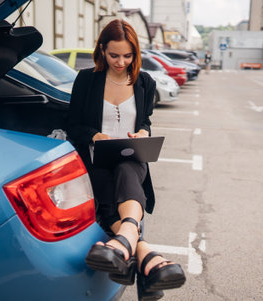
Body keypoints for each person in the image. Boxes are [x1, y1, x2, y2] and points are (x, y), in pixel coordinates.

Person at [67, 19, 186, 300]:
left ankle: (125, 245)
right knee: (110, 199)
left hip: (133, 160)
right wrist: (95, 136)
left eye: (128, 55)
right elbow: (73, 126)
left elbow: (145, 120)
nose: (121, 62)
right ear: (102, 51)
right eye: (114, 55)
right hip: (97, 161)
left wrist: (143, 132)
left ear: (135, 53)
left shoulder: (144, 82)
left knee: (127, 168)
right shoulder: (87, 79)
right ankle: (146, 258)